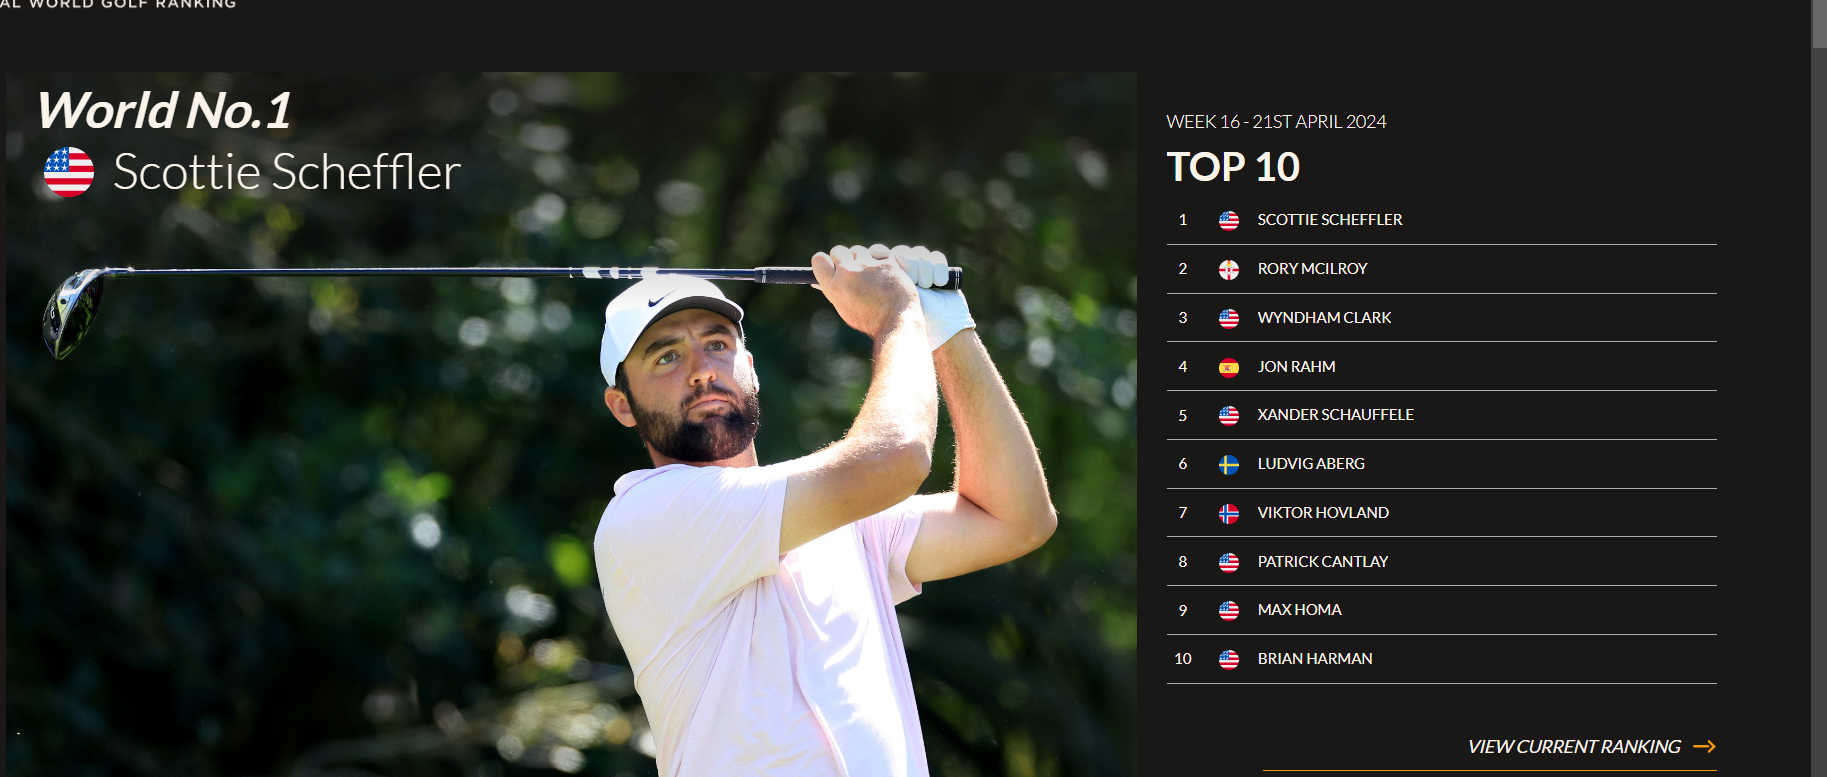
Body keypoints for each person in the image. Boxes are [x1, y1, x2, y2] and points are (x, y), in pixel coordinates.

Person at [591, 244, 1057, 777]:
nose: (702, 370)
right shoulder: (646, 515)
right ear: (622, 405)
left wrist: (947, 326)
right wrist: (898, 314)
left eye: (717, 345)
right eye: (666, 357)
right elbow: (897, 457)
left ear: (749, 370)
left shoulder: (840, 520)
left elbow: (1015, 519)